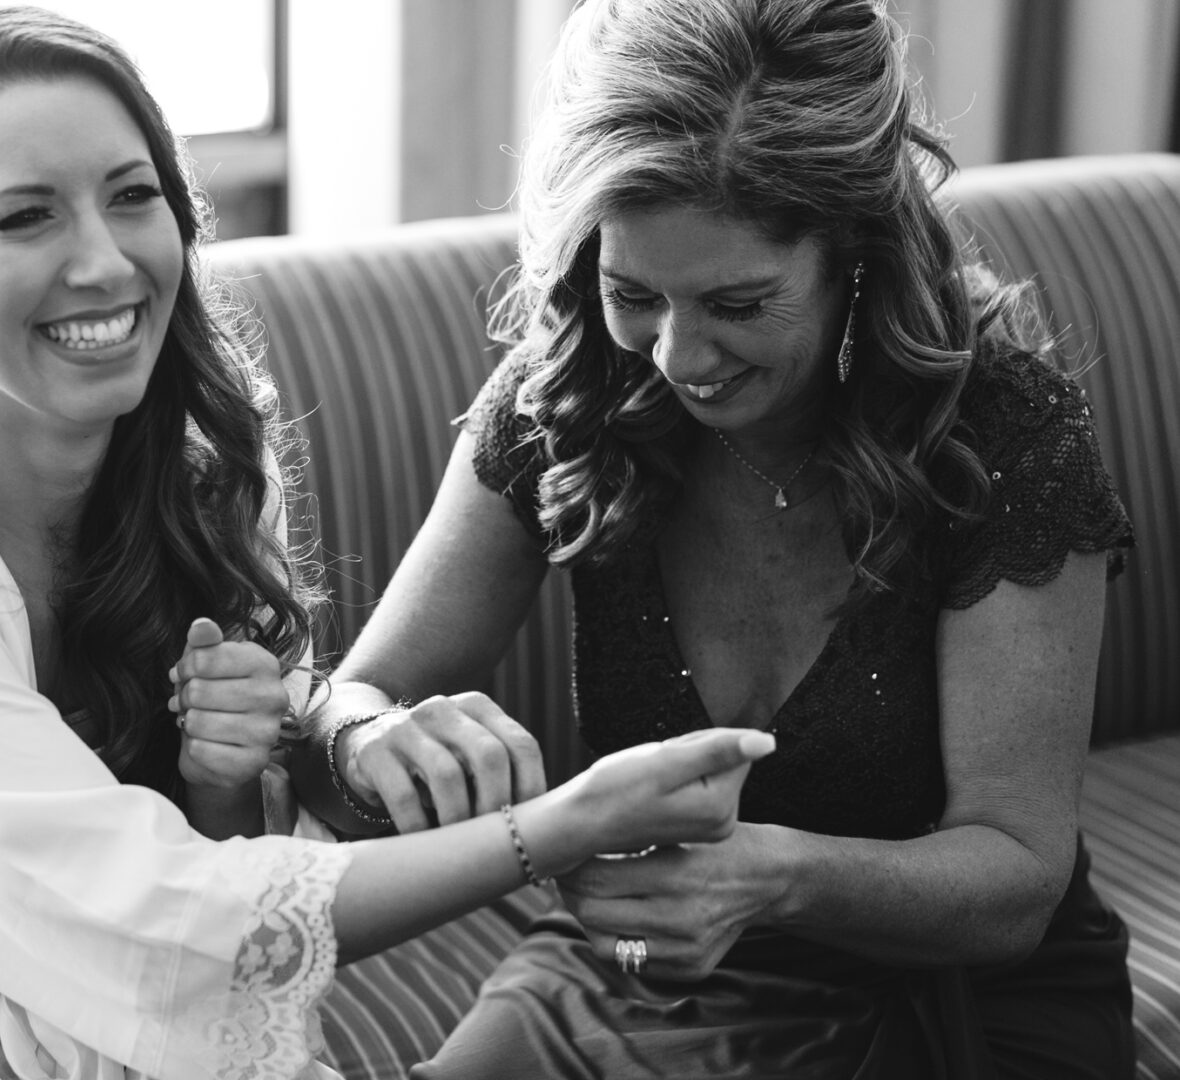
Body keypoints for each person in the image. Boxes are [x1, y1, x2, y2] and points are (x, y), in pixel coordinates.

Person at [0, 8, 778, 1080]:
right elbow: (148, 909)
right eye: (26, 217)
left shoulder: (198, 477)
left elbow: (209, 899)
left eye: (133, 197)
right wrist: (557, 825)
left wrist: (231, 777)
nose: (104, 261)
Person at [290, 0, 1137, 1076]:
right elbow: (347, 709)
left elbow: (1016, 879)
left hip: (957, 996)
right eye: (632, 293)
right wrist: (363, 739)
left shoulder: (999, 434)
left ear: (854, 257)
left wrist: (769, 874)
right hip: (648, 967)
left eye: (739, 302)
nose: (678, 356)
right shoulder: (569, 400)